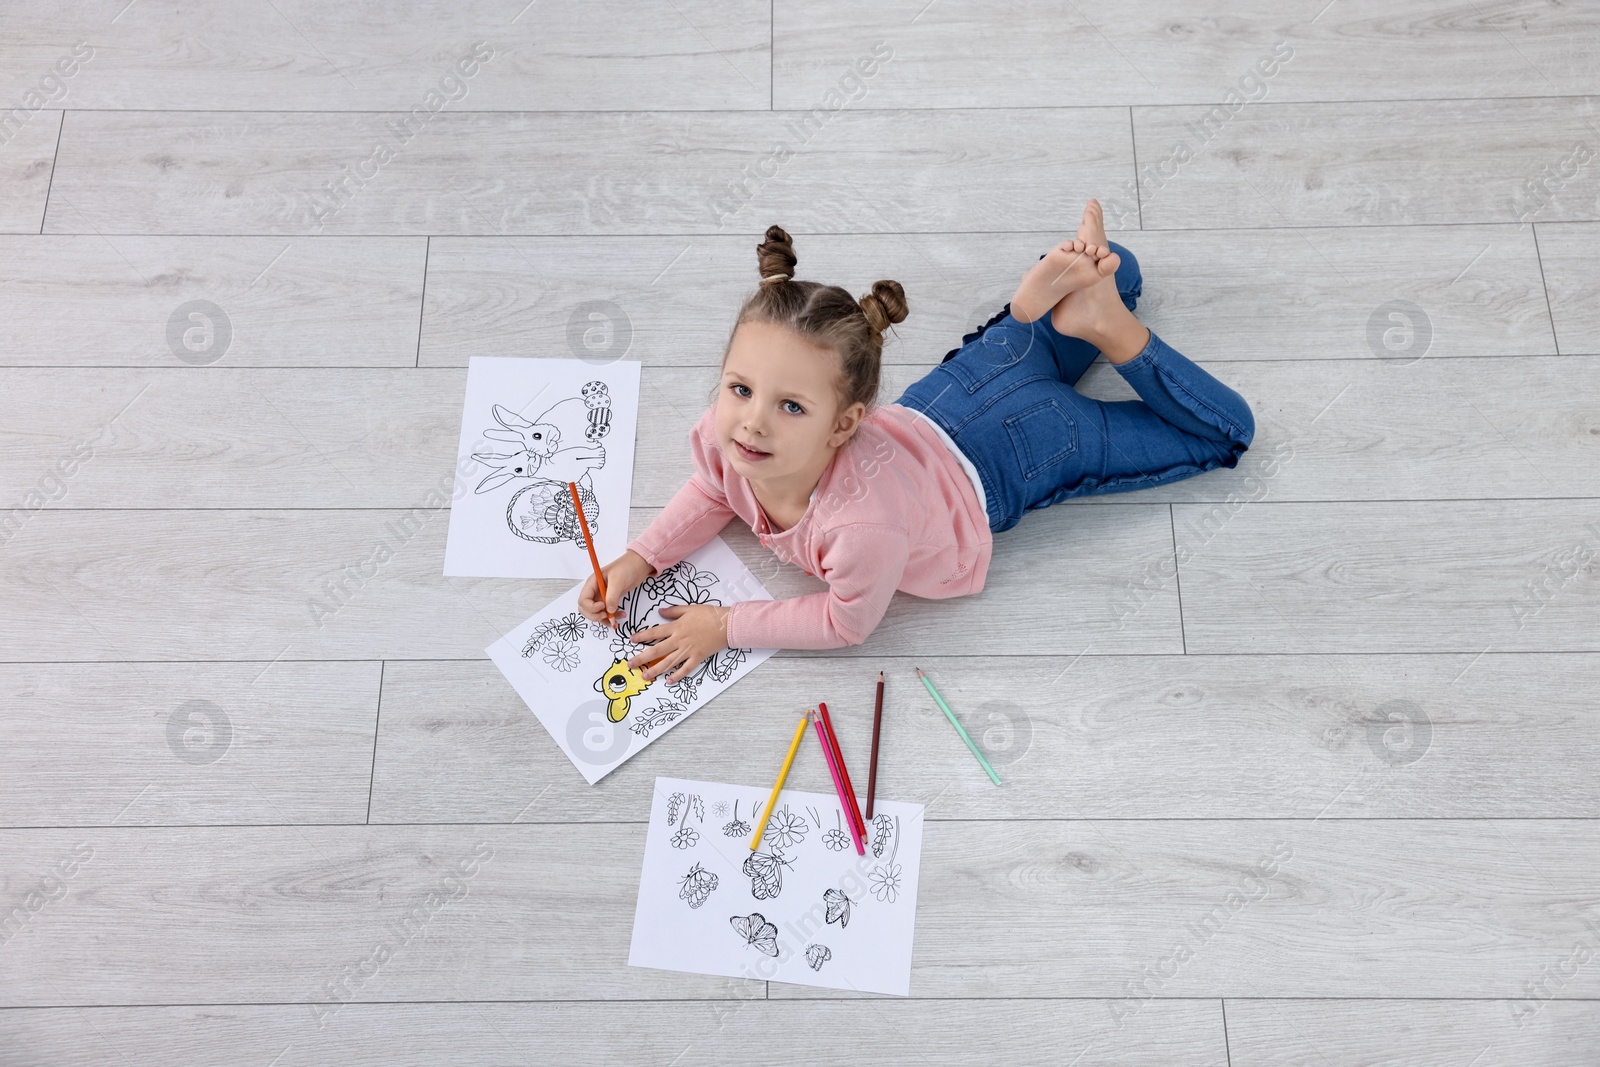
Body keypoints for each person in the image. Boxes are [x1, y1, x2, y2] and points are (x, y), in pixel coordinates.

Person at [577, 199, 1255, 682]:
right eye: (740, 388)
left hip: (1028, 451)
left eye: (789, 405)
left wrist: (725, 625)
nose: (750, 423)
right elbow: (713, 485)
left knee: (1226, 433)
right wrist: (641, 556)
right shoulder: (730, 438)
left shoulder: (860, 531)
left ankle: (1111, 329)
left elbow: (845, 623)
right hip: (958, 389)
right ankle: (1065, 310)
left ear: (844, 425)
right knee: (1120, 264)